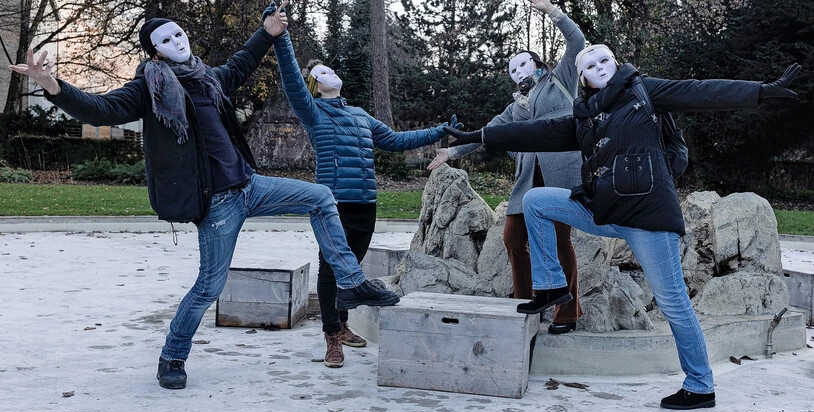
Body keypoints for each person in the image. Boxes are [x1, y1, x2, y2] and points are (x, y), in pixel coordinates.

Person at [9, 1, 400, 390]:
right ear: (155, 50)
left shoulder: (209, 77)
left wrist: (267, 31)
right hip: (217, 203)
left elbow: (242, 62)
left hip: (251, 186)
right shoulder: (149, 87)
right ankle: (172, 356)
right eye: (166, 38)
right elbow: (101, 109)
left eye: (179, 33)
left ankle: (350, 282)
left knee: (320, 196)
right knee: (209, 287)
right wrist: (53, 87)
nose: (177, 40)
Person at [442, 43, 801, 409]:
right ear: (583, 77)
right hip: (606, 213)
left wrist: (761, 91)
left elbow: (700, 90)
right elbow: (535, 131)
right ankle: (551, 287)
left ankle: (700, 385)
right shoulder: (585, 115)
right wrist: (477, 137)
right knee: (535, 202)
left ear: (615, 64)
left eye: (604, 61)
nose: (599, 67)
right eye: (590, 65)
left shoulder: (644, 92)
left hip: (647, 220)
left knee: (674, 304)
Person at [271, 19, 459, 368]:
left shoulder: (360, 116)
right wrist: (282, 38)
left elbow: (396, 141)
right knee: (330, 270)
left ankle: (342, 325)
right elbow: (292, 81)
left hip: (365, 205)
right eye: (320, 71)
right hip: (333, 205)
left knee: (351, 269)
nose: (328, 72)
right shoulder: (312, 112)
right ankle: (331, 336)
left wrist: (439, 131)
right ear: (315, 85)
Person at [428, 0, 585, 334]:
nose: (518, 72)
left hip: (562, 173)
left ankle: (567, 312)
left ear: (537, 63)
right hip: (527, 179)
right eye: (512, 71)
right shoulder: (514, 108)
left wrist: (552, 12)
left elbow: (577, 43)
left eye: (523, 64)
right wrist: (451, 153)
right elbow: (487, 134)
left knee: (560, 241)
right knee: (513, 238)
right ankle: (530, 303)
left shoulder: (561, 79)